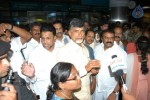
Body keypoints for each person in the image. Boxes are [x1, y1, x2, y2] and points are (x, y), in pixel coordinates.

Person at [57, 18, 100, 100]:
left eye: (82, 31)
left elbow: (85, 72)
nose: (80, 34)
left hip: (87, 94)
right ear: (69, 33)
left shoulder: (86, 49)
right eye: (76, 31)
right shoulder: (63, 51)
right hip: (73, 96)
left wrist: (91, 72)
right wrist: (86, 69)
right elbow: (64, 78)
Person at [21, 23, 59, 100]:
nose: (45, 42)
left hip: (60, 93)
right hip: (42, 93)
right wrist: (31, 76)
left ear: (55, 38)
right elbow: (30, 80)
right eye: (42, 38)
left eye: (48, 38)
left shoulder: (62, 49)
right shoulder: (34, 54)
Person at [93, 30, 127, 100]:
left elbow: (124, 75)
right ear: (102, 38)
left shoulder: (120, 53)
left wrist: (114, 92)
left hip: (111, 90)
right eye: (106, 37)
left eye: (111, 37)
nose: (109, 40)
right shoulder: (97, 48)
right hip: (97, 88)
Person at [126, 36, 150, 100]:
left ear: (136, 45)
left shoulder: (129, 57)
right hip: (146, 87)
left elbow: (124, 75)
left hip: (133, 87)